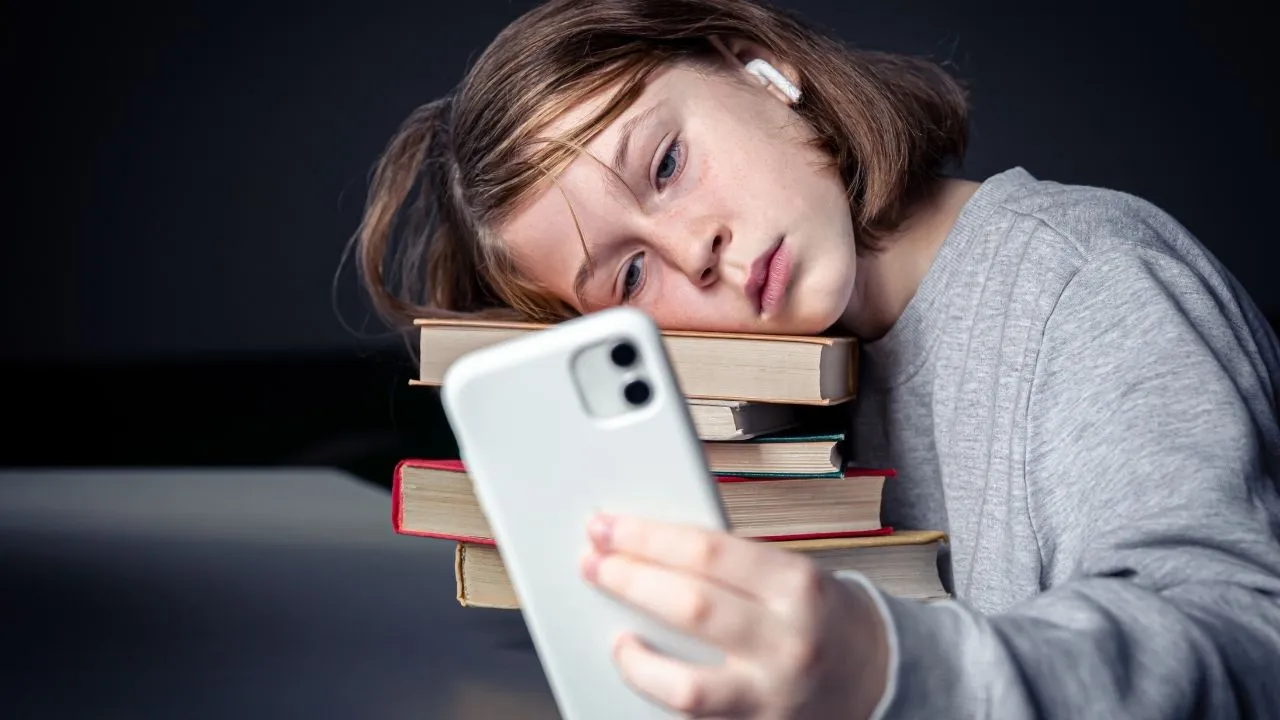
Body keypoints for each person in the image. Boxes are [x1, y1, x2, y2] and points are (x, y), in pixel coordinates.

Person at [351, 0, 1280, 716]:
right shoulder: (786, 398)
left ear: (761, 71)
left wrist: (882, 665)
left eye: (667, 164)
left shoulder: (1091, 280)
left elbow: (1251, 651)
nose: (693, 252)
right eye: (629, 274)